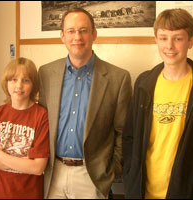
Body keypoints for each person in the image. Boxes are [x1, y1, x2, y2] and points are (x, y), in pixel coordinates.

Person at [122, 8, 193, 199]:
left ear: (190, 41)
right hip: (142, 190)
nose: (169, 46)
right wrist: (130, 175)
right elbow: (130, 135)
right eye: (163, 38)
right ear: (156, 40)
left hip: (185, 190)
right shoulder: (144, 83)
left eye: (177, 38)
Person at [38, 8, 132, 199]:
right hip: (53, 173)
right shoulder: (46, 73)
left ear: (94, 34)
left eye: (83, 30)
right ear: (62, 36)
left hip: (92, 176)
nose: (77, 37)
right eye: (71, 31)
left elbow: (123, 132)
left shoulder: (118, 78)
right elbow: (41, 123)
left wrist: (111, 170)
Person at [0, 57, 50, 199]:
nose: (19, 86)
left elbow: (38, 168)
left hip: (30, 193)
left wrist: (1, 156)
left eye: (26, 80)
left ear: (33, 85)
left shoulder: (41, 115)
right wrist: (25, 162)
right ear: (6, 83)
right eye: (13, 79)